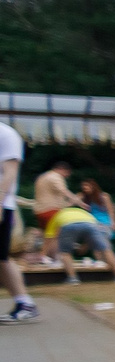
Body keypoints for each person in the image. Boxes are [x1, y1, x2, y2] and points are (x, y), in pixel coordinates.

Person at [0, 117, 32, 321]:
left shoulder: (6, 134)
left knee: (1, 258)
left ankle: (25, 303)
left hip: (3, 203)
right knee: (1, 259)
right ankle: (25, 303)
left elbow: (10, 172)